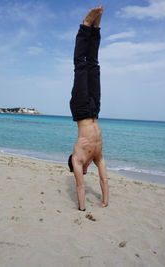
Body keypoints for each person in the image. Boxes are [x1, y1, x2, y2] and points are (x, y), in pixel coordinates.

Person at [68, 7, 109, 211]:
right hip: (94, 111)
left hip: (81, 111)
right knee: (93, 66)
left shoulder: (78, 157)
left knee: (80, 65)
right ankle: (96, 29)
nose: (83, 172)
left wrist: (81, 207)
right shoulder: (97, 156)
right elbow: (104, 180)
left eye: (81, 170)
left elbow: (80, 186)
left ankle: (85, 26)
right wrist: (105, 200)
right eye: (83, 171)